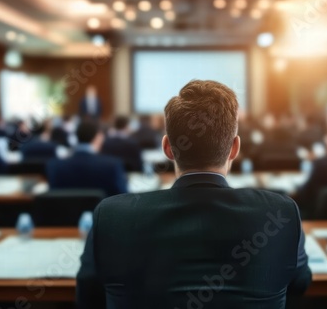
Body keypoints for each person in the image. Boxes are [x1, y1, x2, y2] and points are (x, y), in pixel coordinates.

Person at [77, 80, 311, 309]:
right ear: (235, 148)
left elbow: (89, 296)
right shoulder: (281, 214)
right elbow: (299, 284)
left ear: (167, 147)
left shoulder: (111, 216)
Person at [46, 121, 127, 196]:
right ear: (97, 137)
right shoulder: (112, 166)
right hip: (103, 211)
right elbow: (123, 199)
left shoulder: (55, 166)